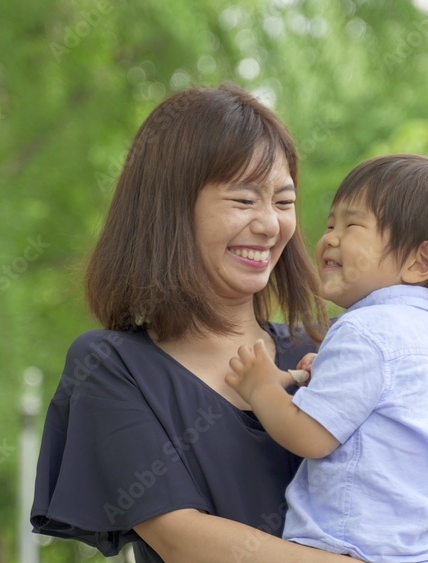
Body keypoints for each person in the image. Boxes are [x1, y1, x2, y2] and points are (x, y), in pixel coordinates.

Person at [30, 85, 351, 563]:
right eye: (244, 200)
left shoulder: (326, 350)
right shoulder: (114, 366)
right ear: (171, 209)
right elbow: (183, 538)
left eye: (283, 203)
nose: (269, 224)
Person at [226, 154, 428, 562]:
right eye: (331, 223)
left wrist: (261, 387)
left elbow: (309, 437)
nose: (329, 238)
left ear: (419, 262)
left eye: (352, 225)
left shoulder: (364, 331)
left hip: (356, 549)